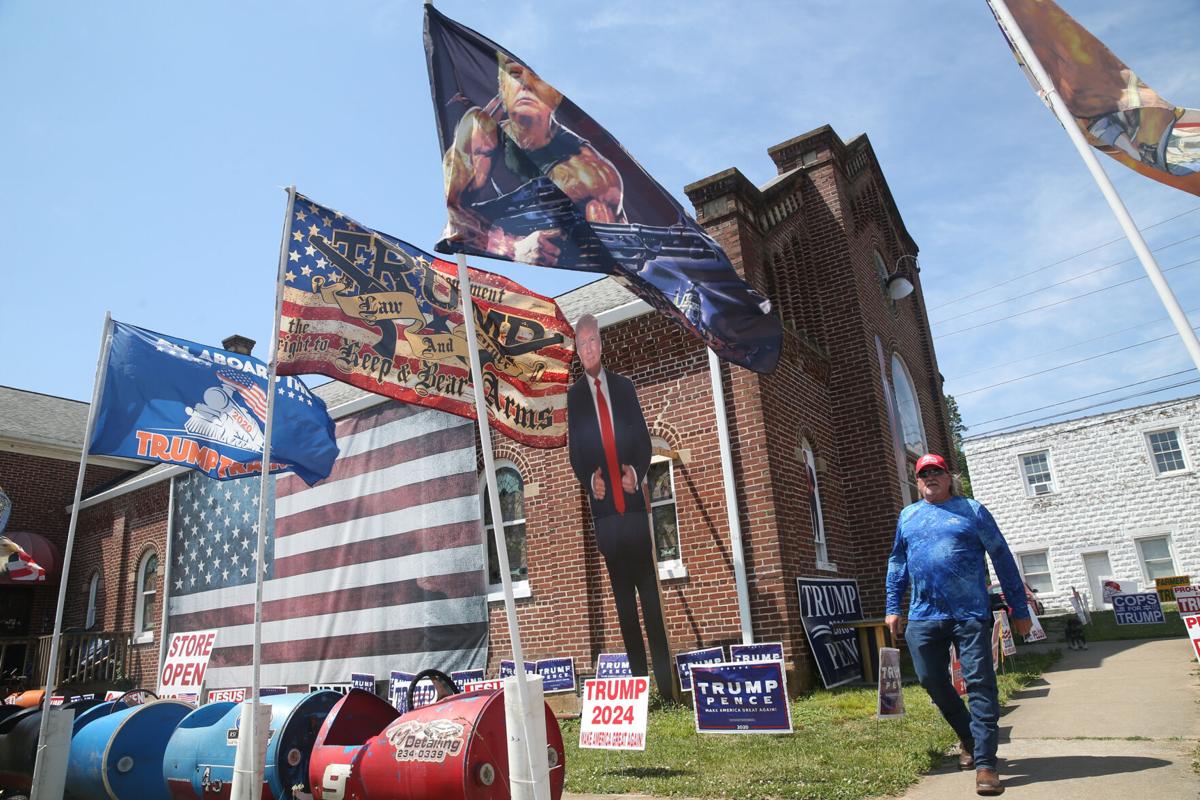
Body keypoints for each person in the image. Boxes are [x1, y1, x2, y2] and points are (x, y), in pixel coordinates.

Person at [885, 453, 1033, 797]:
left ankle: (986, 765)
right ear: (917, 481)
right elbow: (897, 562)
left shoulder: (972, 511)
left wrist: (1019, 606)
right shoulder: (908, 516)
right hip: (924, 615)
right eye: (924, 474)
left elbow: (1001, 557)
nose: (930, 477)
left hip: (970, 614)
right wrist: (893, 606)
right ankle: (969, 737)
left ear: (949, 477)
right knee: (930, 679)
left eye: (936, 471)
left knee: (980, 684)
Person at [567, 314, 673, 698]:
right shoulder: (575, 398)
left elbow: (643, 442)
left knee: (650, 603)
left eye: (593, 340)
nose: (589, 348)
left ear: (601, 343)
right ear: (577, 350)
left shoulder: (625, 388)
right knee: (625, 609)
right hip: (606, 519)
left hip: (633, 513)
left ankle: (667, 689)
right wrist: (588, 479)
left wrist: (636, 471)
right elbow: (576, 454)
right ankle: (642, 691)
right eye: (582, 344)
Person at [441, 54, 625, 264]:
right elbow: (456, 220)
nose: (525, 85)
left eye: (537, 80)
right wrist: (512, 247)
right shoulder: (481, 136)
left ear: (555, 98)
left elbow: (612, 261)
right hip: (503, 241)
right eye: (515, 75)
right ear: (502, 89)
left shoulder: (590, 174)